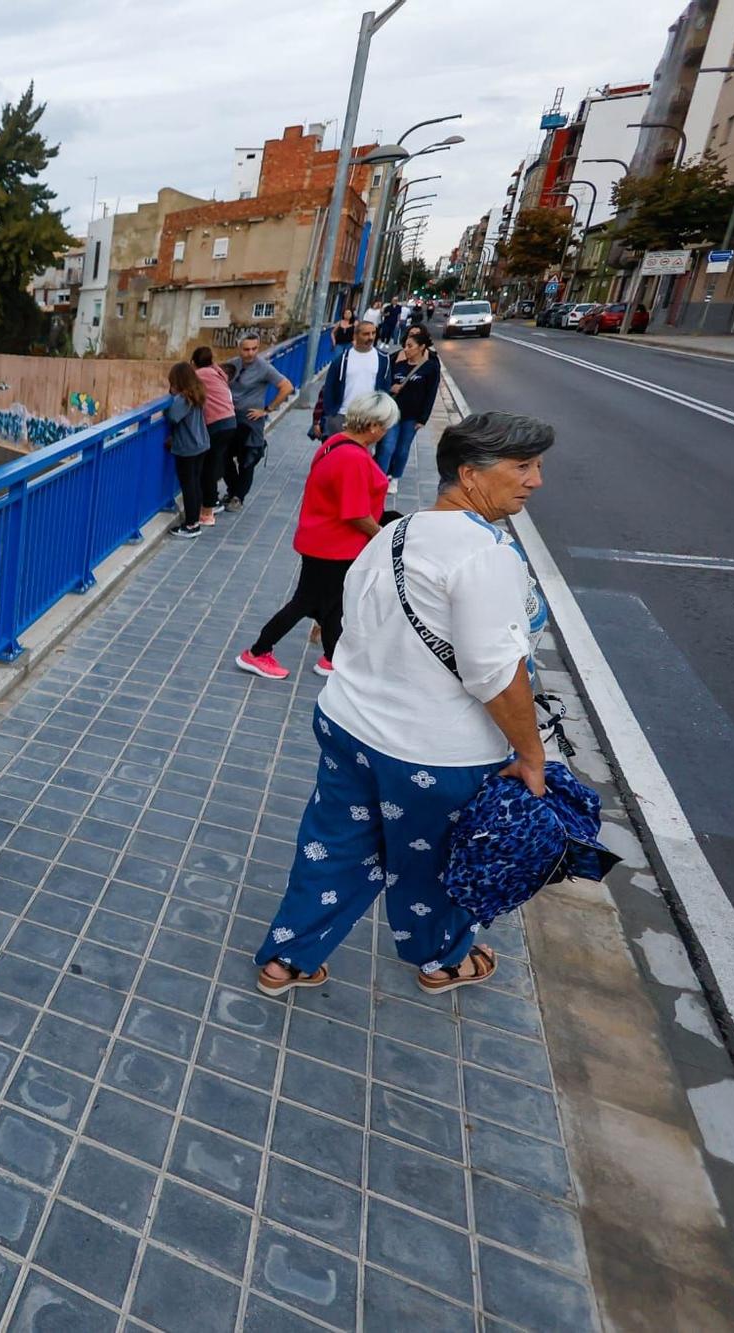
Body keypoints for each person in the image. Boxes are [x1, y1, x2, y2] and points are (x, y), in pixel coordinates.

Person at [252, 412, 555, 998]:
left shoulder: (396, 532)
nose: (536, 480)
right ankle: (442, 961)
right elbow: (495, 671)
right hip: (433, 754)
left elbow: (355, 621)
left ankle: (287, 959)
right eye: (523, 467)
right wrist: (531, 754)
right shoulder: (482, 555)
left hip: (348, 725)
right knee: (432, 866)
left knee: (334, 844)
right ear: (470, 474)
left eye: (537, 465)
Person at [236, 392, 398, 681]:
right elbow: (355, 513)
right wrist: (382, 535)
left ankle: (330, 658)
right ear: (373, 427)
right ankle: (258, 652)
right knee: (307, 602)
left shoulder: (335, 442)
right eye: (386, 427)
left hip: (322, 538)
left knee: (332, 603)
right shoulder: (354, 459)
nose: (386, 432)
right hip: (335, 544)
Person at [219, 335, 295, 513]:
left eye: (254, 349)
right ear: (239, 349)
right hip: (230, 418)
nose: (250, 353)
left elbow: (287, 387)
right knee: (223, 456)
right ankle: (232, 490)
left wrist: (267, 409)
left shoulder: (264, 368)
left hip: (251, 421)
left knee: (247, 460)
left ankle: (238, 496)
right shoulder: (232, 365)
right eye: (246, 349)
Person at [380, 327, 442, 494]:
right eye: (405, 346)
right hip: (393, 413)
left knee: (403, 448)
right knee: (387, 446)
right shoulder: (398, 364)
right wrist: (391, 388)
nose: (406, 349)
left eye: (410, 346)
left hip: (412, 416)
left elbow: (431, 393)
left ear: (421, 347)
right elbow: (384, 384)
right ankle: (381, 477)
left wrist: (423, 418)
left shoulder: (430, 367)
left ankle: (396, 477)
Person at [314, 320, 395, 443]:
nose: (371, 337)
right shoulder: (341, 360)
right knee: (334, 452)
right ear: (355, 336)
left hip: (369, 418)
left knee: (359, 457)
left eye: (373, 333)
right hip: (342, 415)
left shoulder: (384, 359)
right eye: (366, 334)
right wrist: (329, 415)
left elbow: (385, 389)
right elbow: (329, 388)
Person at [163, 361, 211, 537]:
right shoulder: (197, 394)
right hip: (201, 444)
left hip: (188, 448)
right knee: (195, 483)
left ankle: (191, 525)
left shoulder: (183, 398)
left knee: (188, 485)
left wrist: (168, 407)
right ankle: (194, 519)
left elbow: (173, 416)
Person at [191, 346, 238, 527]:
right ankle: (213, 502)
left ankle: (208, 511)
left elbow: (182, 389)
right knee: (215, 461)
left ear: (194, 362)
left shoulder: (200, 374)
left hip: (216, 424)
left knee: (208, 467)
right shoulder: (216, 372)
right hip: (230, 421)